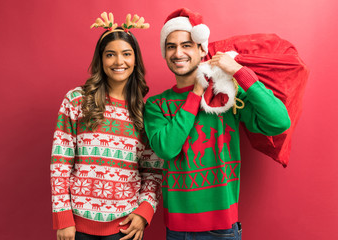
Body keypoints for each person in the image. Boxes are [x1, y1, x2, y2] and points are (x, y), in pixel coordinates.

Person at [143, 8, 291, 240]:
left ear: (202, 49)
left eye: (187, 45)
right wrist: (196, 93)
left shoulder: (226, 96)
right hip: (177, 231)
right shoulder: (155, 105)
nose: (178, 52)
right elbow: (166, 148)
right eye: (171, 46)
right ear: (164, 52)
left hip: (222, 229)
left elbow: (279, 122)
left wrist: (241, 73)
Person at [50, 12, 162, 240]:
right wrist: (63, 217)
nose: (119, 62)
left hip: (125, 228)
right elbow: (60, 163)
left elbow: (152, 171)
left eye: (126, 54)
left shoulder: (145, 112)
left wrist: (144, 211)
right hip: (77, 227)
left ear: (135, 60)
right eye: (110, 54)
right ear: (100, 60)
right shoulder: (76, 101)